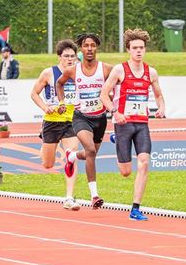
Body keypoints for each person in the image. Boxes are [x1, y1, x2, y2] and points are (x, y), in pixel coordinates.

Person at [100, 28, 165, 221]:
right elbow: (104, 94)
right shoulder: (119, 70)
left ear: (145, 49)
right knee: (126, 172)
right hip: (123, 123)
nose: (138, 51)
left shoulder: (151, 72)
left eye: (141, 48)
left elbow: (159, 95)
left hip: (142, 124)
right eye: (135, 47)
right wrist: (115, 112)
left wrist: (161, 107)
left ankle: (135, 208)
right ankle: (116, 138)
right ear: (128, 49)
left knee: (144, 163)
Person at [56, 33, 113, 209]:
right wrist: (62, 102)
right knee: (89, 150)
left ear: (97, 47)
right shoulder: (73, 70)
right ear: (81, 48)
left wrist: (112, 98)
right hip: (81, 117)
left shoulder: (106, 69)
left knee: (91, 153)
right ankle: (94, 195)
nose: (89, 49)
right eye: (86, 45)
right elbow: (59, 83)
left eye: (92, 45)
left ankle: (71, 156)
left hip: (100, 118)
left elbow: (118, 85)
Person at [30, 39, 81, 210]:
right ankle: (44, 144)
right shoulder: (48, 73)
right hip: (52, 122)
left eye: (72, 56)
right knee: (48, 164)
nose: (69, 59)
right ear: (59, 57)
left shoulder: (79, 73)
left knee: (71, 156)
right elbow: (34, 93)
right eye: (66, 56)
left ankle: (69, 197)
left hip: (71, 121)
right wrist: (46, 107)